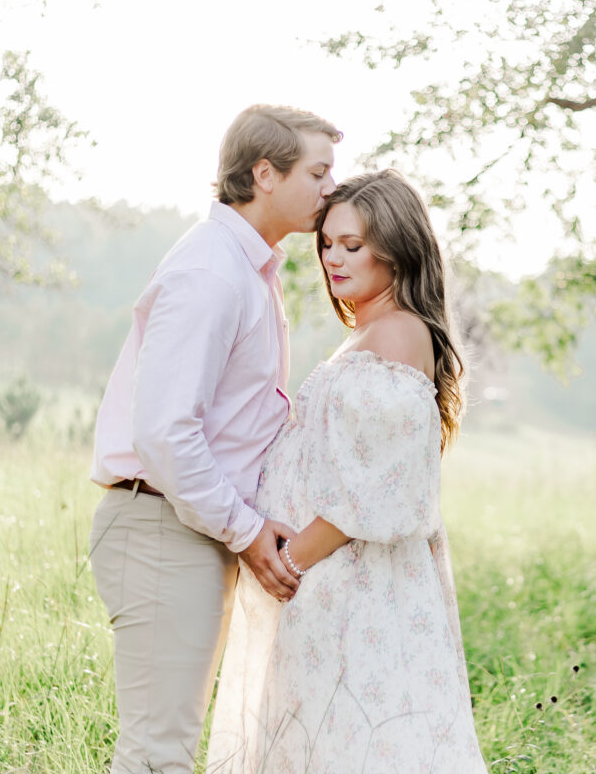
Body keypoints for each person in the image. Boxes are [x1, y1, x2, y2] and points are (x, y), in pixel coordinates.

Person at [207, 169, 488, 773]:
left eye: (353, 246)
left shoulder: (398, 335)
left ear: (398, 248)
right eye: (328, 243)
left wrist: (286, 561)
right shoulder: (369, 331)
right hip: (324, 582)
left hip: (347, 587)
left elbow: (376, 492)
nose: (334, 258)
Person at [88, 104, 341, 774]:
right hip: (159, 526)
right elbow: (165, 432)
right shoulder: (211, 271)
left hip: (186, 528)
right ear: (264, 172)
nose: (329, 189)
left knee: (166, 745)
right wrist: (249, 531)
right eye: (317, 171)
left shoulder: (245, 268)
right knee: (156, 753)